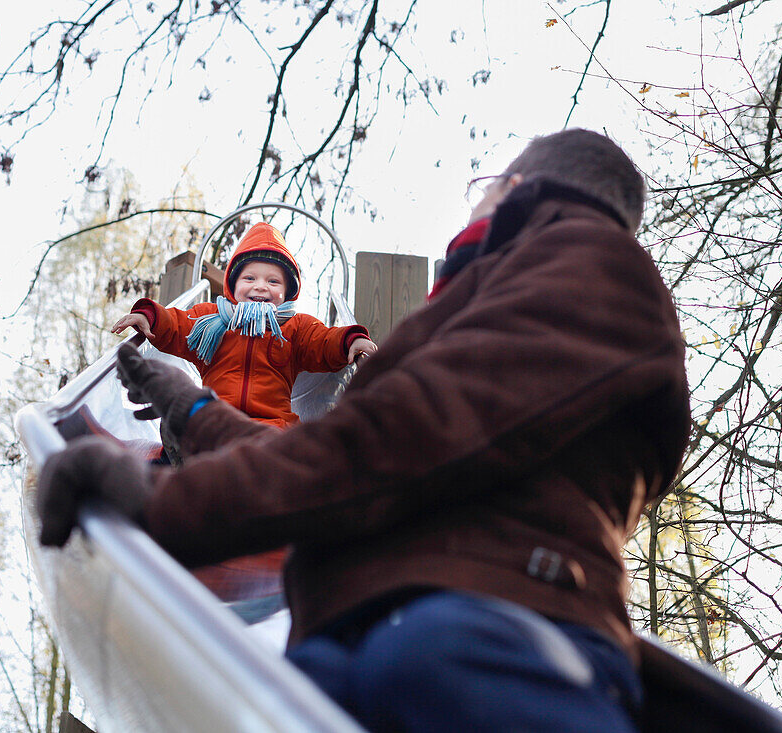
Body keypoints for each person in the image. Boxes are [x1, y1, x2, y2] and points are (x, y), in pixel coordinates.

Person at [35, 129, 692, 732]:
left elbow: (392, 447)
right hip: (373, 618)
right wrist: (192, 411)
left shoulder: (587, 267)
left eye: (481, 189)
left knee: (417, 662)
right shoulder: (482, 303)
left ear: (511, 191)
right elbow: (344, 457)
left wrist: (163, 502)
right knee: (297, 691)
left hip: (492, 616)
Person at [110, 221, 378, 431]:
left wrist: (351, 340)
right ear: (233, 286)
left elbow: (324, 341)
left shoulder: (296, 328)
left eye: (273, 282)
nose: (260, 286)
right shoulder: (210, 319)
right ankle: (180, 445)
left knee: (283, 442)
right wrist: (149, 316)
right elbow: (177, 325)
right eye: (250, 278)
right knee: (194, 422)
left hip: (271, 425)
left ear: (286, 292)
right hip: (214, 418)